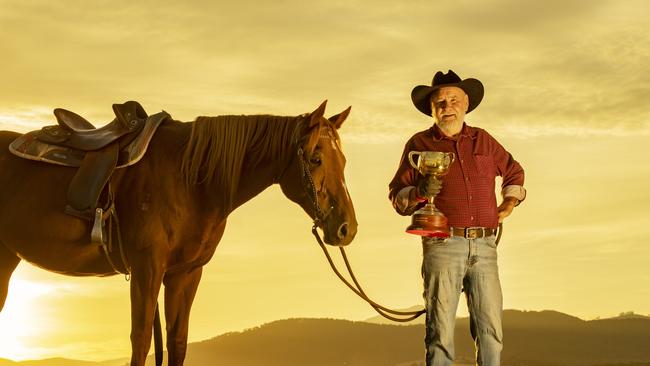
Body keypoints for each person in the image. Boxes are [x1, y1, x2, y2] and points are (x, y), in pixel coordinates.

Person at [388, 70, 526, 366]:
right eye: (439, 102)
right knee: (440, 331)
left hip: (486, 246)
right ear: (431, 109)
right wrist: (419, 192)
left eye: (453, 100)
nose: (446, 106)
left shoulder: (484, 141)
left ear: (465, 104)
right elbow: (397, 198)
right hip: (442, 245)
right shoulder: (419, 144)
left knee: (491, 331)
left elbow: (514, 171)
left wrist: (509, 203)